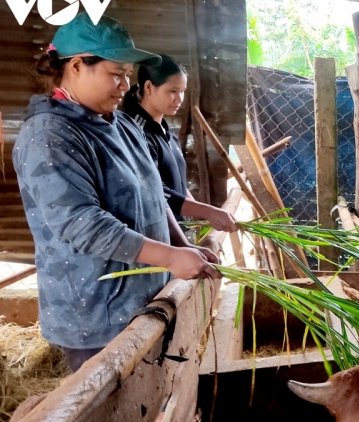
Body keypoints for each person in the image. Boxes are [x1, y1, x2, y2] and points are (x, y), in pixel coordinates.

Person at [13, 13, 221, 373]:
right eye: (115, 73)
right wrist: (169, 258)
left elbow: (155, 193)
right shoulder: (49, 135)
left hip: (144, 299)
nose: (125, 84)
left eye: (127, 75)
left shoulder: (122, 124)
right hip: (95, 315)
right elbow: (84, 225)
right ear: (77, 66)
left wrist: (181, 246)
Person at [122, 55, 237, 233]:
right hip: (154, 235)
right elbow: (155, 191)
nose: (180, 99)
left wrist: (201, 214)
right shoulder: (136, 133)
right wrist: (208, 211)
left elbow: (179, 186)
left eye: (182, 91)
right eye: (173, 91)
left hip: (176, 233)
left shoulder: (166, 131)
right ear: (149, 87)